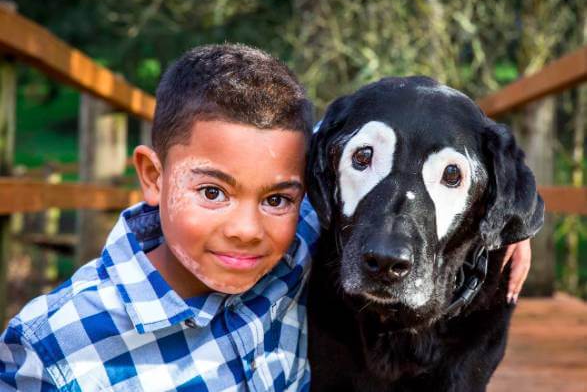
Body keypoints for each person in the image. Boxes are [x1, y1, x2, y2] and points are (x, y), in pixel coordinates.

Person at [0, 43, 532, 391]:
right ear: (152, 176)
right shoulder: (52, 345)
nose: (246, 228)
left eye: (277, 198)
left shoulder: (290, 246)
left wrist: (500, 222)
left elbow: (373, 142)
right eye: (212, 191)